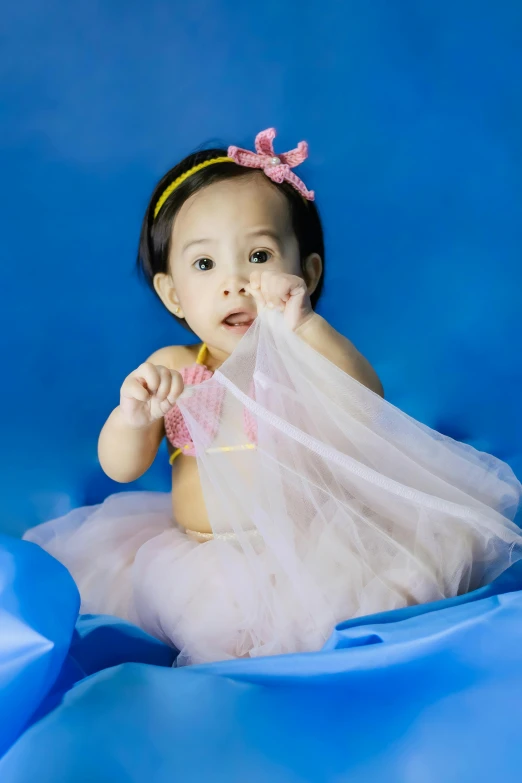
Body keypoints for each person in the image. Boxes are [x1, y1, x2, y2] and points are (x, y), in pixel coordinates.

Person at [24, 129, 522, 666]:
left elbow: (366, 401)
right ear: (172, 293)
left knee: (376, 584)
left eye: (259, 255)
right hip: (205, 553)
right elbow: (120, 468)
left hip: (314, 542)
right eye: (205, 265)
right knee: (217, 619)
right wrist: (132, 416)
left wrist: (306, 327)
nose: (235, 282)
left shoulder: (305, 352)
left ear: (305, 273)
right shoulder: (175, 366)